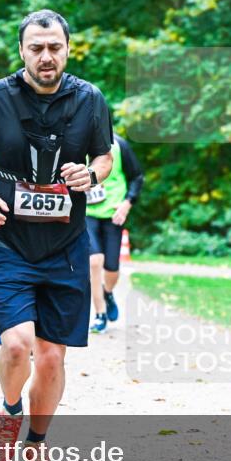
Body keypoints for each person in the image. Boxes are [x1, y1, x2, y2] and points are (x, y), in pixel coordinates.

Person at [0, 10, 113, 461]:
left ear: (68, 48)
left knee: (50, 355)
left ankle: (38, 443)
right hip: (9, 242)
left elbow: (104, 155)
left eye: (55, 47)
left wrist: (91, 173)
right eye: (36, 48)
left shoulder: (90, 99)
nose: (46, 56)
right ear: (22, 50)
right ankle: (9, 410)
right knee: (18, 345)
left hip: (65, 247)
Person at [85, 133, 144, 333]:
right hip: (86, 214)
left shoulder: (119, 145)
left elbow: (137, 176)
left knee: (112, 267)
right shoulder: (74, 143)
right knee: (94, 261)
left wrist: (127, 204)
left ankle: (107, 292)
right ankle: (100, 313)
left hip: (113, 213)